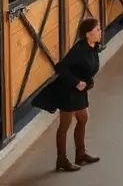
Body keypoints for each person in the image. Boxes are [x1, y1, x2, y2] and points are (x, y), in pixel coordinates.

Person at [32, 17, 102, 172]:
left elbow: (88, 70)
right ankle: (61, 159)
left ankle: (80, 154)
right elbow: (61, 68)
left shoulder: (93, 47)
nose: (100, 32)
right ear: (87, 34)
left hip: (79, 90)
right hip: (68, 90)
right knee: (65, 124)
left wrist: (88, 82)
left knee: (83, 118)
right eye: (97, 30)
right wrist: (77, 82)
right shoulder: (79, 50)